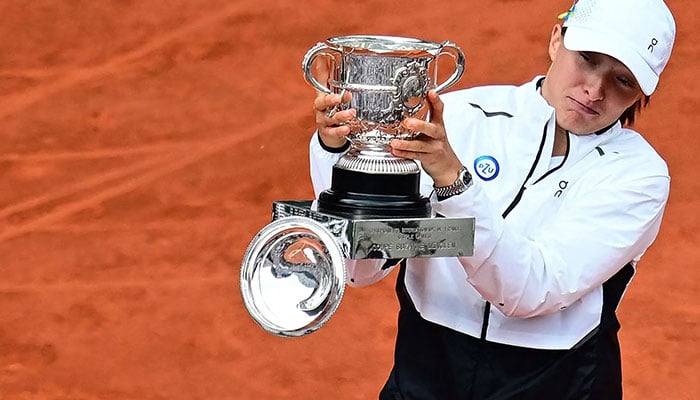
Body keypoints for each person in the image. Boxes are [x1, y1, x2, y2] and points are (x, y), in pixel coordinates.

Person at [309, 0, 676, 398]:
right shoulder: (461, 117)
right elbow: (362, 268)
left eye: (622, 81)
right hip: (425, 371)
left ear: (640, 93)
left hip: (558, 383)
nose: (594, 90)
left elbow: (532, 288)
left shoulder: (639, 175)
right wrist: (339, 159)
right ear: (557, 40)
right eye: (587, 59)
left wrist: (454, 184)